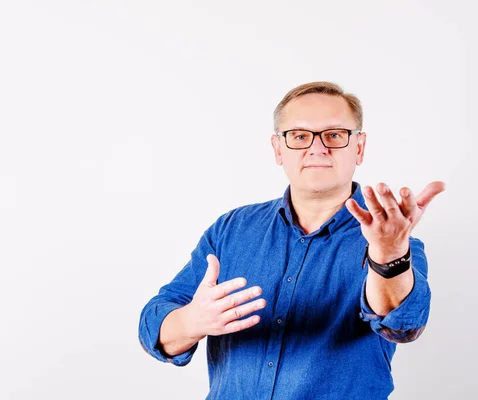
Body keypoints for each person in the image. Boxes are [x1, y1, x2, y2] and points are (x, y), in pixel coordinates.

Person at [138, 81, 445, 399]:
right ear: (277, 148)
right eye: (299, 136)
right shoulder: (231, 230)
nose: (317, 148)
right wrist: (191, 321)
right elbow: (153, 326)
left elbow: (403, 324)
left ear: (359, 147)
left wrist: (390, 254)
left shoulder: (394, 242)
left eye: (334, 135)